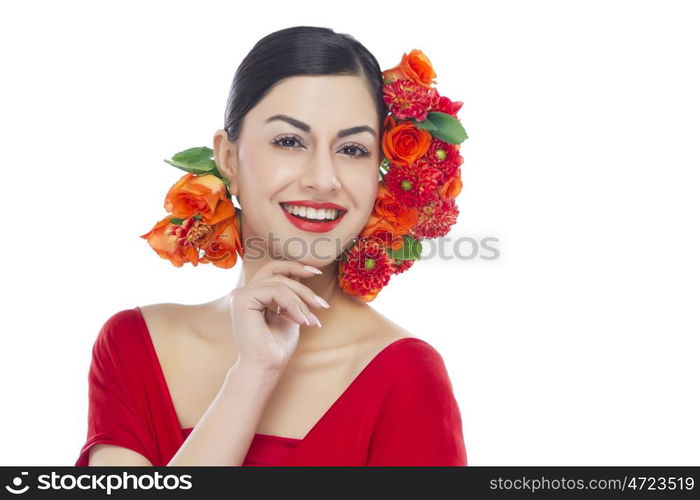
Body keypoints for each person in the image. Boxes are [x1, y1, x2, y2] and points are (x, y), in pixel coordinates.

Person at [75, 25, 467, 466]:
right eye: (289, 141)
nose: (323, 179)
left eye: (354, 149)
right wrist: (252, 375)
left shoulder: (406, 376)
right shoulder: (136, 345)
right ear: (228, 159)